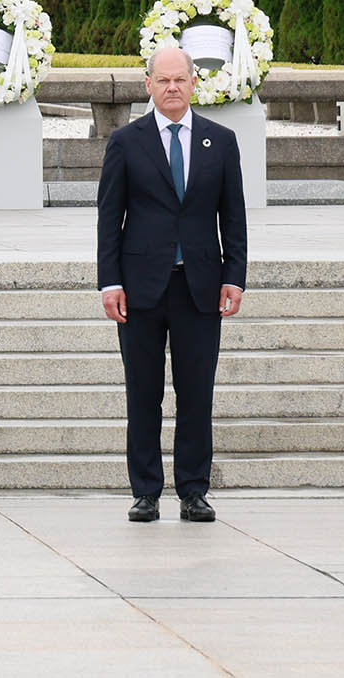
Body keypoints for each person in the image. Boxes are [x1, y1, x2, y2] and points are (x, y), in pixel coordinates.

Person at [98, 44, 246, 525]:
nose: (172, 88)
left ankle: (193, 490)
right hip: (140, 288)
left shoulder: (220, 142)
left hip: (200, 286)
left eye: (180, 79)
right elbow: (109, 219)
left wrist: (235, 277)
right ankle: (145, 490)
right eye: (162, 81)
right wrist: (109, 282)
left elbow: (234, 218)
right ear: (148, 85)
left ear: (193, 83)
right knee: (143, 392)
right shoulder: (126, 142)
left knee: (196, 391)